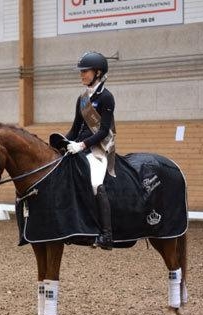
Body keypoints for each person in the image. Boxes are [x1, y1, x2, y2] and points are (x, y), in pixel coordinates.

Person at [64, 51, 116, 250]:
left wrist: (82, 145)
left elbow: (103, 131)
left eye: (85, 71)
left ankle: (106, 235)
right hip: (80, 147)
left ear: (98, 72)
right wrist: (62, 141)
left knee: (95, 183)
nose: (82, 75)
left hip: (99, 149)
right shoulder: (83, 98)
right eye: (81, 72)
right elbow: (76, 128)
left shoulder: (106, 97)